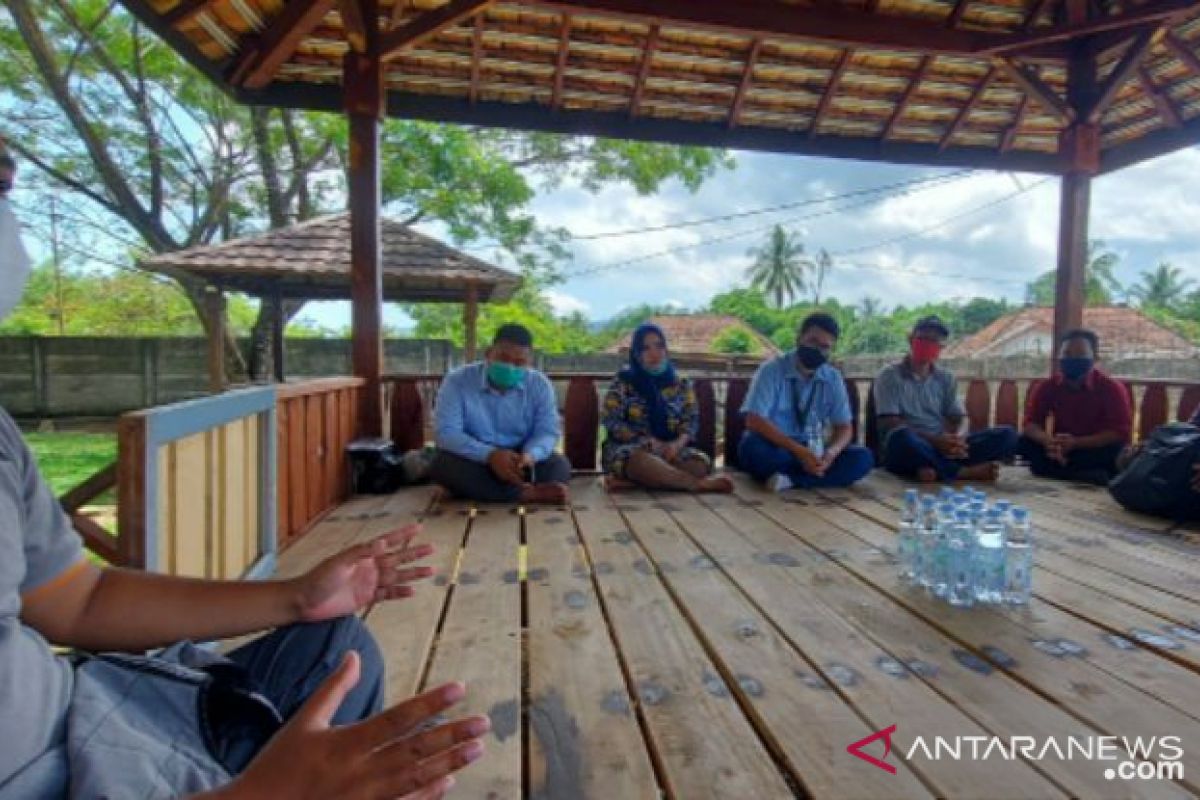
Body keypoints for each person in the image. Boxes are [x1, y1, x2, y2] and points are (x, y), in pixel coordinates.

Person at [0, 227, 488, 797]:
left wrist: (295, 596)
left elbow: (77, 600)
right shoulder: (460, 386)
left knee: (337, 644)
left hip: (105, 714)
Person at [431, 323, 572, 504]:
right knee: (443, 465)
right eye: (503, 358)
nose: (510, 367)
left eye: (519, 362)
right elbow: (447, 433)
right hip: (477, 459)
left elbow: (547, 431)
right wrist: (490, 455)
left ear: (528, 362)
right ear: (489, 353)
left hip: (520, 459)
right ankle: (526, 494)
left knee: (559, 465)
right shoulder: (457, 381)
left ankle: (487, 491)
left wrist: (530, 455)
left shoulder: (539, 384)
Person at [737, 312, 874, 491]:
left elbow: (844, 427)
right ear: (799, 338)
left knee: (863, 458)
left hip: (814, 450)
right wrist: (799, 452)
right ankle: (811, 477)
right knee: (752, 447)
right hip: (778, 447)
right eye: (813, 342)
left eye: (825, 347)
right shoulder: (771, 370)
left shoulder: (833, 377)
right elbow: (753, 420)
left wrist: (830, 454)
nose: (818, 350)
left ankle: (791, 480)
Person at [875, 315, 1017, 483]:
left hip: (944, 447)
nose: (928, 345)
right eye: (923, 339)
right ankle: (963, 472)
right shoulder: (890, 375)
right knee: (900, 437)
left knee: (1007, 434)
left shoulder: (945, 378)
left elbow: (960, 417)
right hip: (913, 446)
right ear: (910, 339)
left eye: (934, 341)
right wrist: (935, 442)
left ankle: (933, 468)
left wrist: (959, 440)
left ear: (941, 348)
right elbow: (890, 422)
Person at [601, 322, 732, 493]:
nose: (654, 353)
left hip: (670, 451)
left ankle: (635, 483)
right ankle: (698, 485)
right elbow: (611, 420)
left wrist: (676, 446)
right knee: (642, 463)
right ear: (637, 354)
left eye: (658, 345)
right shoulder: (624, 382)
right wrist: (647, 442)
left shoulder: (680, 384)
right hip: (631, 450)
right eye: (646, 348)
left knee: (700, 463)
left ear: (666, 349)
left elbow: (690, 421)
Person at [1018, 328, 1132, 485]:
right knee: (1023, 442)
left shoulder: (1111, 388)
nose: (1073, 359)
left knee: (1117, 451)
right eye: (1067, 354)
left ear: (1095, 358)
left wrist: (1076, 442)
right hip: (1059, 448)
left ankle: (1057, 470)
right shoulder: (1048, 386)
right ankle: (1083, 475)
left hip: (1092, 448)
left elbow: (1119, 432)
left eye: (1081, 355)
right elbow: (1030, 423)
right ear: (1059, 357)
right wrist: (1048, 441)